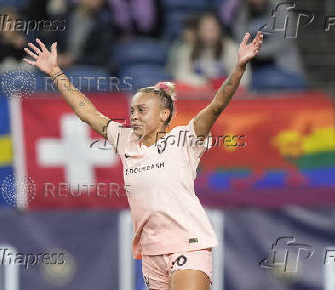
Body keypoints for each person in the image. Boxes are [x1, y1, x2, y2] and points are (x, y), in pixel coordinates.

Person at [22, 30, 263, 289]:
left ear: (164, 114)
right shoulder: (124, 140)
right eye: (132, 110)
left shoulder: (184, 139)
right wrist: (56, 73)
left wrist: (239, 67)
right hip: (151, 252)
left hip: (188, 243)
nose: (134, 116)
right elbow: (87, 112)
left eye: (142, 110)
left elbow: (216, 106)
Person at [167, 12, 250, 89]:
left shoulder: (231, 49)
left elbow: (243, 79)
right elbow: (181, 76)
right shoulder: (187, 49)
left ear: (219, 30)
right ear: (198, 31)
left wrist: (220, 85)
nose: (208, 33)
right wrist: (204, 83)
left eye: (212, 28)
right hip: (197, 95)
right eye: (204, 28)